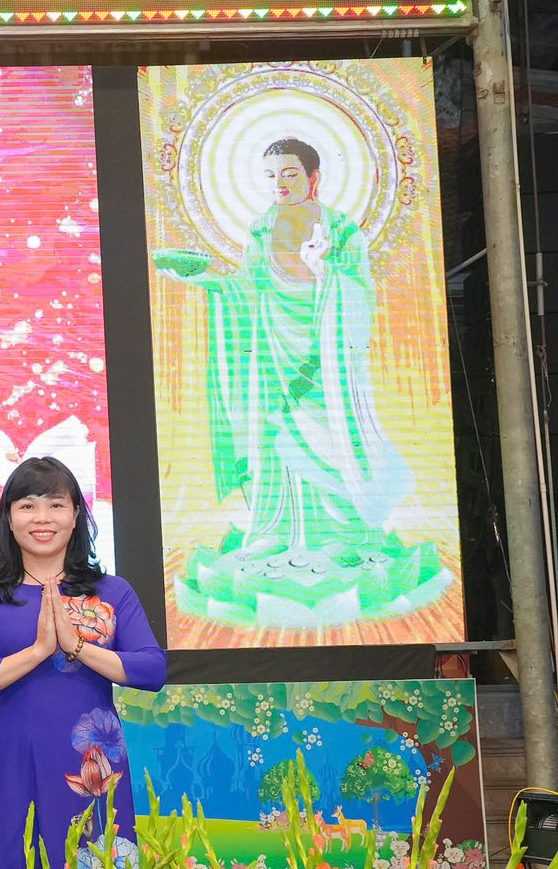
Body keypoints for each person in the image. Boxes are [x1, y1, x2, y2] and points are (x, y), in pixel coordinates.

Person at [153, 136, 446, 627]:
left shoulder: (343, 231)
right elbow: (247, 288)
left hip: (325, 358)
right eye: (271, 176)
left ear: (314, 177)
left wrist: (323, 272)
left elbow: (360, 294)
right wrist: (204, 282)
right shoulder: (261, 228)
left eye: (289, 173)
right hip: (272, 353)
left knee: (328, 439)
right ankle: (274, 528)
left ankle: (341, 532)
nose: (280, 184)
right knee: (271, 440)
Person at [0, 457, 166, 869]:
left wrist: (77, 648)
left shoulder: (111, 591)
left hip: (90, 768)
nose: (42, 517)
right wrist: (40, 650)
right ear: (8, 517)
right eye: (27, 505)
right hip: (13, 766)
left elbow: (152, 670)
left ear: (76, 515)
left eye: (56, 504)